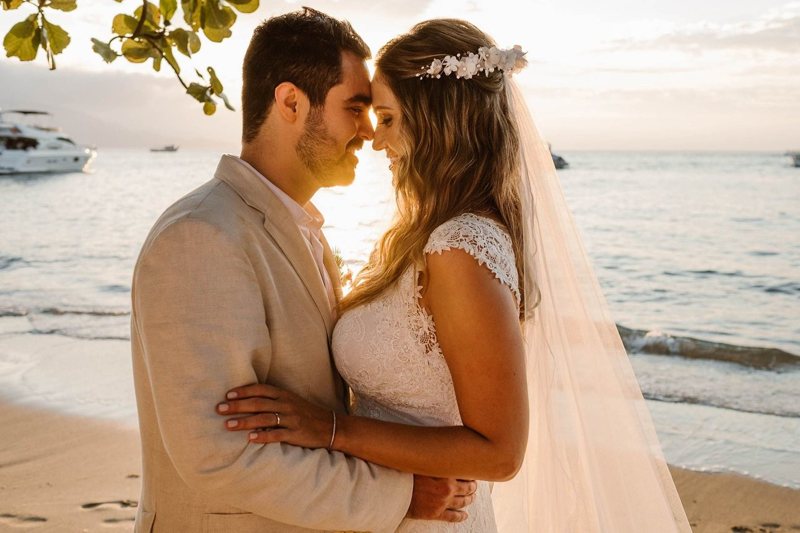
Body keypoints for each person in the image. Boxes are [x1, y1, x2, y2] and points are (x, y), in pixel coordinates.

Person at [217, 18, 694, 533]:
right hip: (389, 508)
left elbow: (500, 452)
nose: (376, 141)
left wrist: (331, 430)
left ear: (435, 121)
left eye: (388, 118)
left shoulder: (460, 248)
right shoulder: (425, 237)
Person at [130, 8, 476, 533]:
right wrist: (402, 494)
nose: (367, 130)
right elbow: (218, 454)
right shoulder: (201, 237)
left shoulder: (299, 226)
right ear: (292, 102)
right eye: (354, 108)